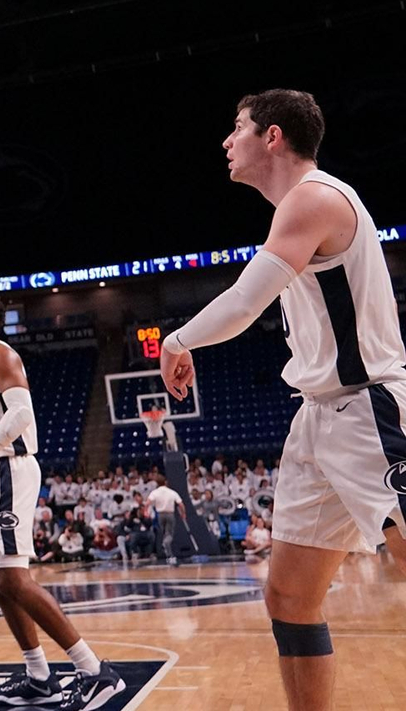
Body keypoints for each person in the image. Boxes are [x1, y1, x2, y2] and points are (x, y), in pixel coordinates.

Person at [159, 90, 406, 711]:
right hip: (318, 416)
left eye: (235, 127)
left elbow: (245, 304)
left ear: (272, 137)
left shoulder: (316, 197)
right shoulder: (292, 209)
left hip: (369, 408)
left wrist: (178, 340)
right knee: (290, 598)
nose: (226, 141)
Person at [0, 290, 126, 708]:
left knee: (11, 578)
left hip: (8, 465)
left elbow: (22, 415)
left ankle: (95, 671)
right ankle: (39, 675)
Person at [146, 475, 188, 565]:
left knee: (165, 533)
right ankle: (166, 545)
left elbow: (148, 502)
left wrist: (146, 511)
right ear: (165, 482)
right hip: (169, 514)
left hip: (160, 515)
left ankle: (169, 555)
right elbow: (181, 504)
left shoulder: (155, 492)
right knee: (169, 534)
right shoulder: (171, 492)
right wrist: (183, 513)